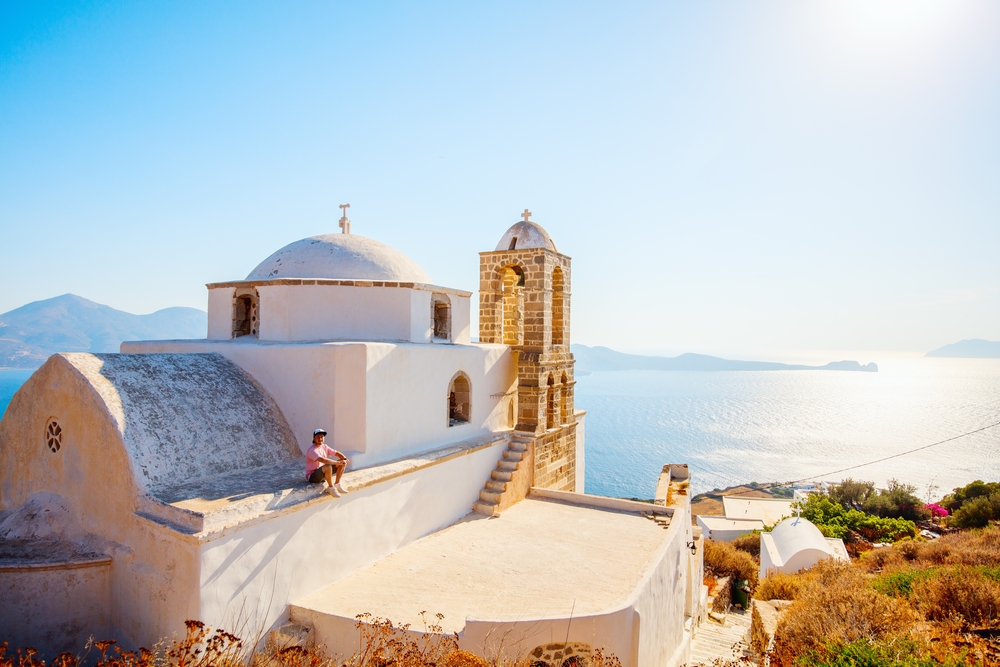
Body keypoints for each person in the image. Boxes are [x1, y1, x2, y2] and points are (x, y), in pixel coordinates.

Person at [306, 428, 350, 497]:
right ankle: (330, 488)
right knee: (328, 465)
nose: (320, 438)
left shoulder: (324, 446)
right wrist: (338, 463)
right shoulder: (312, 450)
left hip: (324, 472)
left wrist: (345, 459)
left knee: (343, 462)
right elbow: (323, 460)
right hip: (313, 476)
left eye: (322, 437)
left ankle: (337, 484)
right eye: (318, 437)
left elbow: (336, 453)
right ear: (314, 439)